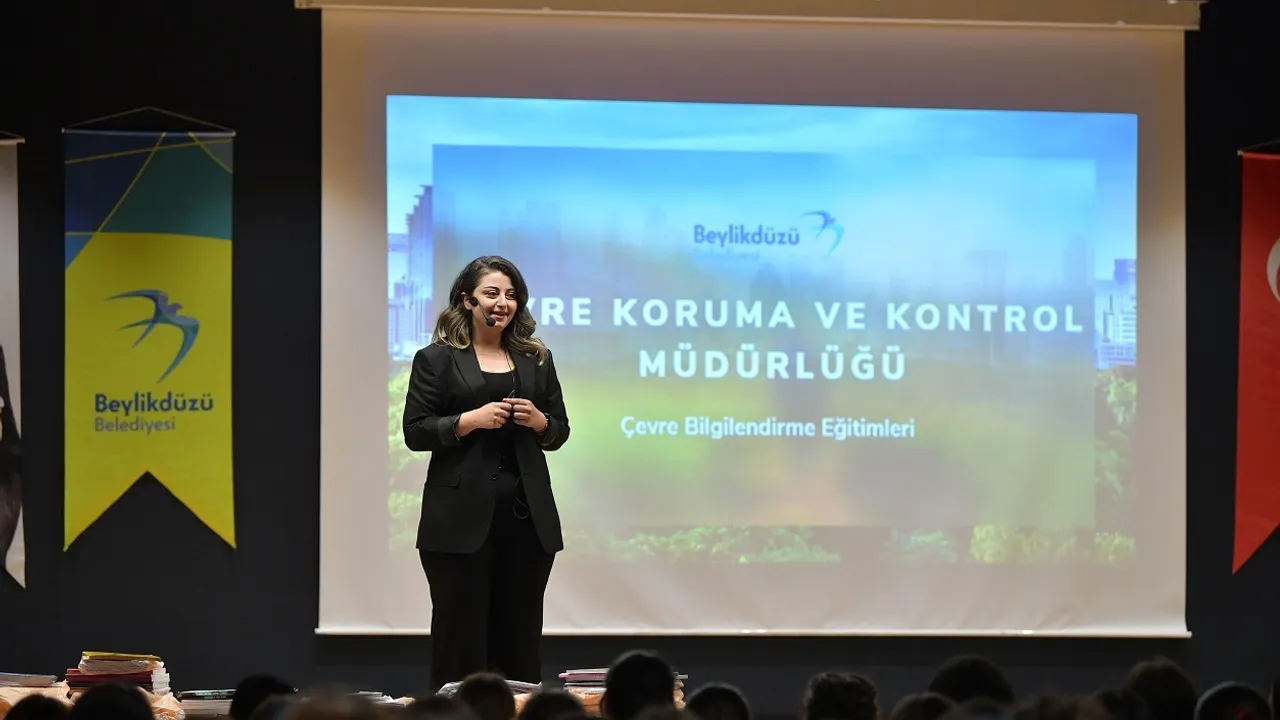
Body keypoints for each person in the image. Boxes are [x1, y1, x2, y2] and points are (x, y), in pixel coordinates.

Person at [403, 255, 570, 692]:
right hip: (457, 522)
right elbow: (415, 431)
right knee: (460, 641)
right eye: (492, 293)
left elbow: (559, 430)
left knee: (519, 642)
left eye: (511, 295)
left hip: (526, 522)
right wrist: (468, 421)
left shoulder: (536, 359)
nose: (503, 303)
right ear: (467, 300)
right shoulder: (437, 360)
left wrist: (540, 422)